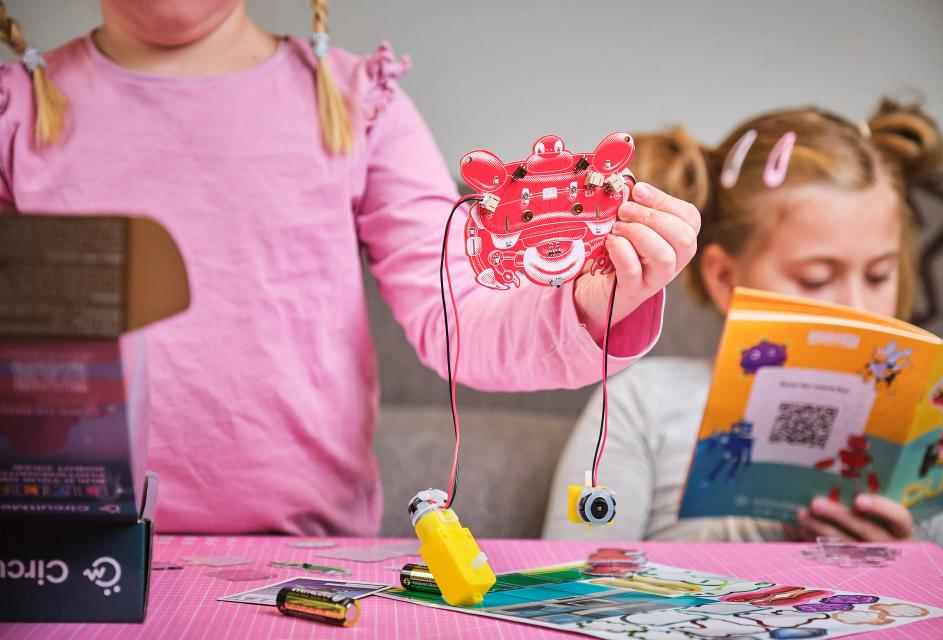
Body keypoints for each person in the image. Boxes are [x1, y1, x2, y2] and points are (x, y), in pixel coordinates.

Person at [0, 0, 700, 535]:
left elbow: (459, 313)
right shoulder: (14, 109)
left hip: (307, 554)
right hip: (64, 545)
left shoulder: (360, 102)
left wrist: (588, 304)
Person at [543, 100, 943, 546]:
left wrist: (908, 547)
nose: (859, 306)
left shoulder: (931, 414)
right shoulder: (645, 400)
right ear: (725, 278)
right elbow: (574, 568)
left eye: (879, 275)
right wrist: (773, 529)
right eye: (816, 279)